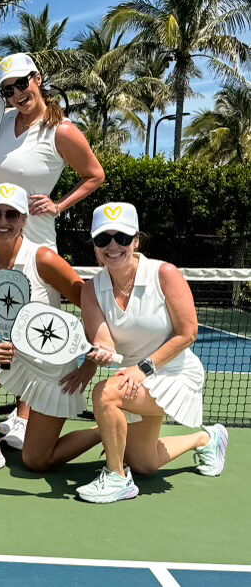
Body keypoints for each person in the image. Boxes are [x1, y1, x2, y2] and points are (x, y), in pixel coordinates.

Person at [0, 52, 105, 449]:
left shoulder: (62, 131)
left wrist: (59, 205)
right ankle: (10, 407)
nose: (16, 94)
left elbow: (95, 175)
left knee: (32, 318)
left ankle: (28, 414)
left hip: (36, 238)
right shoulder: (1, 124)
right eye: (7, 90)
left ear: (38, 79)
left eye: (22, 84)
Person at [76, 203, 228, 503]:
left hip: (173, 374)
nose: (113, 246)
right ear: (94, 246)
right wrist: (102, 351)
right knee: (145, 464)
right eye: (103, 239)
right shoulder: (91, 289)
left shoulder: (164, 273)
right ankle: (207, 438)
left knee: (104, 394)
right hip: (133, 379)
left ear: (136, 241)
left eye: (122, 237)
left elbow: (188, 333)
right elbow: (103, 338)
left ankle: (117, 478)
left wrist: (143, 368)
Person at [0, 183, 102, 476]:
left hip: (52, 372)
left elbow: (91, 306)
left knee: (36, 461)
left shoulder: (43, 259)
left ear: (24, 219)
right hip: (14, 364)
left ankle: (107, 428)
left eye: (12, 215)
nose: (3, 222)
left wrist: (89, 364)